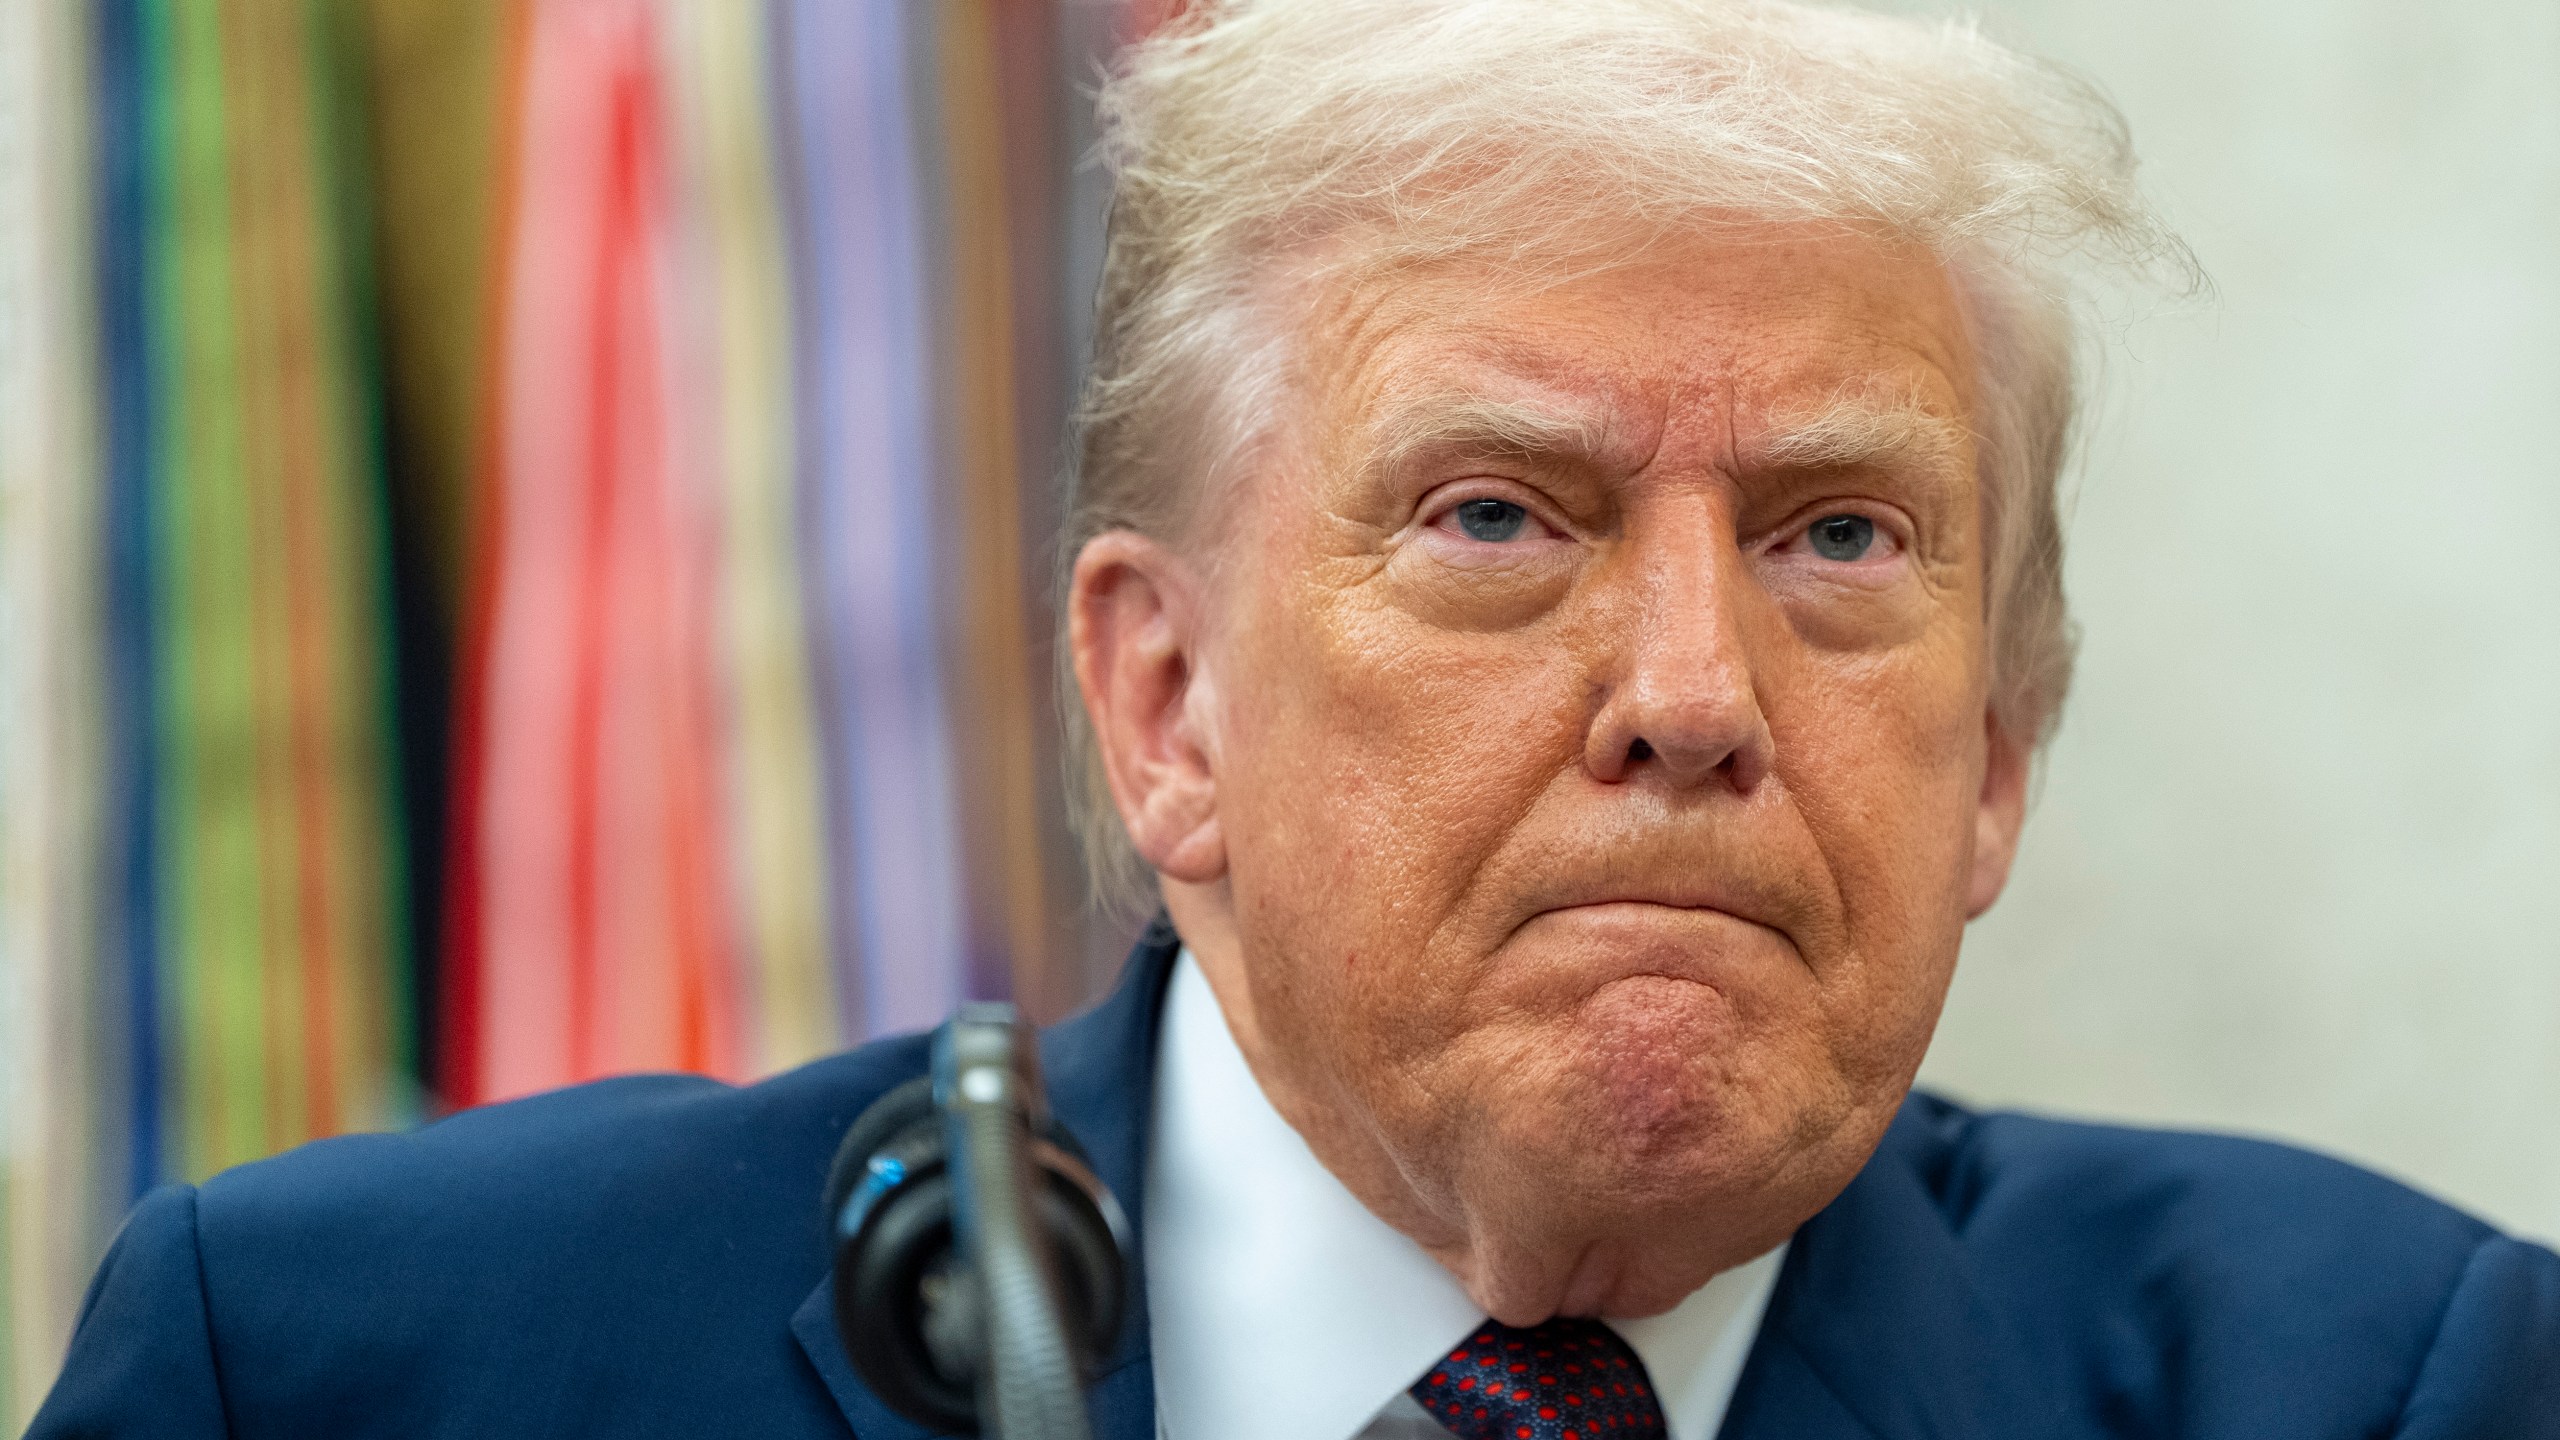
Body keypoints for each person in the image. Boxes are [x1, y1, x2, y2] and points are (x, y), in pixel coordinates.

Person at [33, 1, 2560, 1436]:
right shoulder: (364, 1377)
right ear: (1162, 700)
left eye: (1836, 541)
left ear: (1993, 751)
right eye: (1493, 516)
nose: (1692, 695)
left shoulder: (2388, 1390)